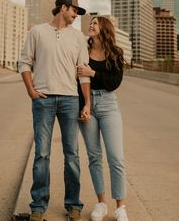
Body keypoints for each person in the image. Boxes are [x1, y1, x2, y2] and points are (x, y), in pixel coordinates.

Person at [19, 0, 91, 221]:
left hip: (70, 99)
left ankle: (73, 204)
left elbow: (83, 71)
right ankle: (38, 207)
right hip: (43, 99)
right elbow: (24, 62)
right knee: (42, 154)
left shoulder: (79, 37)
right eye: (74, 11)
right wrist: (31, 91)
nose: (76, 15)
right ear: (63, 8)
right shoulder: (37, 32)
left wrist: (87, 102)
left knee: (72, 154)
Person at [77, 16, 129, 221]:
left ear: (104, 28)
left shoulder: (115, 53)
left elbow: (114, 82)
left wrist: (93, 72)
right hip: (87, 105)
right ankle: (101, 204)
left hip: (108, 105)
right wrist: (83, 105)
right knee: (94, 157)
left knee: (116, 157)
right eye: (90, 23)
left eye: (95, 23)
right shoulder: (83, 50)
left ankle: (120, 207)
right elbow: (78, 79)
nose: (91, 25)